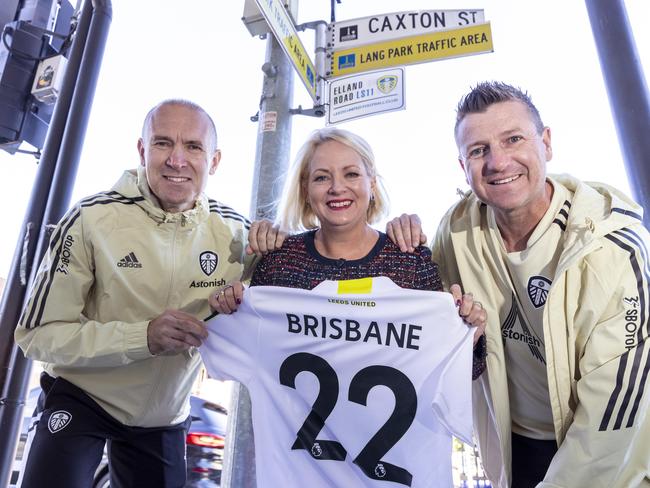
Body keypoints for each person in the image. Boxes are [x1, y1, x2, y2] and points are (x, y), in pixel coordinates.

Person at [387, 81, 650, 487]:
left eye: (513, 139)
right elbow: (405, 312)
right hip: (517, 447)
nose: (498, 161)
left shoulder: (610, 248)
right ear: (463, 166)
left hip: (609, 451)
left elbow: (616, 410)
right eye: (479, 150)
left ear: (546, 143)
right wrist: (399, 243)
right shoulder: (457, 232)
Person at [14, 99, 277, 488]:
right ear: (142, 150)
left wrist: (282, 242)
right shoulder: (91, 218)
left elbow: (306, 281)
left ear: (215, 160)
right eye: (162, 143)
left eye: (193, 146)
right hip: (82, 399)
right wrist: (144, 336)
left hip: (162, 417)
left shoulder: (237, 233)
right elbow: (37, 334)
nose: (176, 159)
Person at [206, 127, 487, 486]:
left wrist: (470, 335)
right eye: (322, 177)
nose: (337, 187)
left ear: (372, 182)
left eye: (351, 174)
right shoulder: (280, 266)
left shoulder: (408, 259)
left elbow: (458, 371)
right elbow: (231, 340)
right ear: (306, 189)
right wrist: (229, 309)